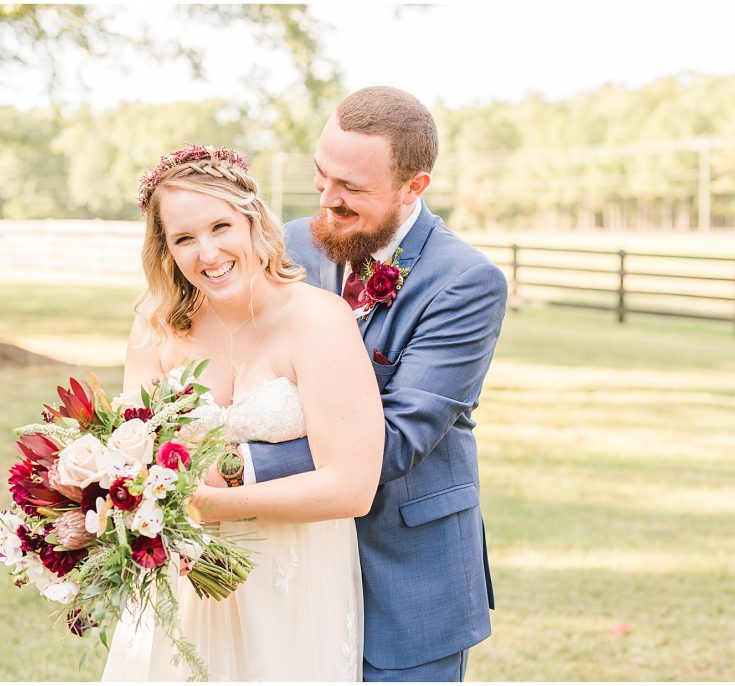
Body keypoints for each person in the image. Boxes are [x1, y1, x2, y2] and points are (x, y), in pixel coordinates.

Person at [205, 86, 509, 681]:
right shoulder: (289, 245)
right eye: (321, 176)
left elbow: (396, 437)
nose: (328, 200)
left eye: (351, 188)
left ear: (413, 187)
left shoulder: (466, 283)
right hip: (290, 565)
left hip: (405, 576)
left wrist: (239, 466)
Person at [102, 144, 383, 681]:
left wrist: (212, 503)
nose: (207, 253)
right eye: (184, 238)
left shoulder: (318, 320)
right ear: (166, 250)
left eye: (219, 227)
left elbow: (353, 485)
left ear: (252, 218)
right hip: (182, 580)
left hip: (293, 576)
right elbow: (128, 457)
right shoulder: (155, 329)